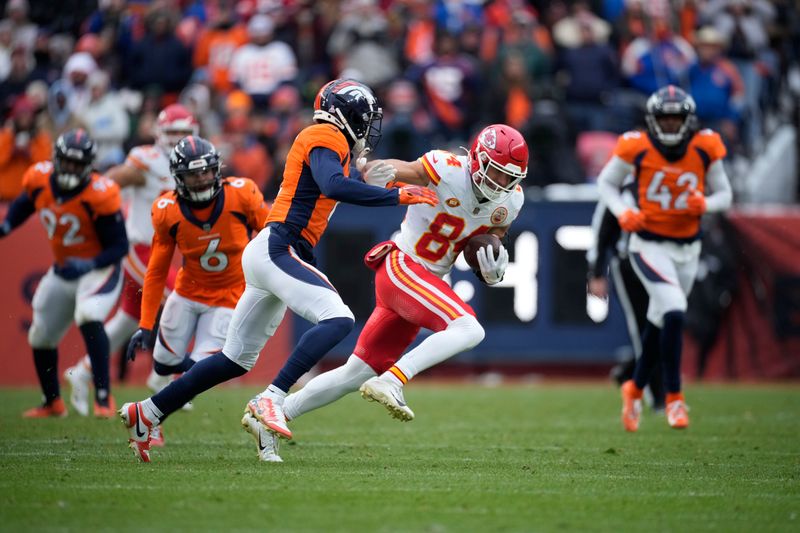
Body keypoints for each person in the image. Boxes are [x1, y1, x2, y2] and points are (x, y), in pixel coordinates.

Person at [119, 79, 438, 463]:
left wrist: (368, 180)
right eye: (363, 118)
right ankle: (272, 398)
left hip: (272, 249)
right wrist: (395, 195)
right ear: (346, 115)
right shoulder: (325, 133)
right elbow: (332, 185)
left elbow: (332, 184)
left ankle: (148, 411)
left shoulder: (327, 141)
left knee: (233, 360)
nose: (367, 127)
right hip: (279, 245)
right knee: (338, 320)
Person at [270, 124, 527, 462]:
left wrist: (491, 266)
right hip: (403, 265)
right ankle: (394, 381)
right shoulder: (446, 167)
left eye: (508, 177)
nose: (500, 183)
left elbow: (488, 242)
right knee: (468, 327)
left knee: (356, 373)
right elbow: (401, 170)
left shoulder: (511, 201)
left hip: (424, 281)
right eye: (495, 171)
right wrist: (375, 169)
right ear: (478, 159)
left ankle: (272, 414)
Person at [597, 85, 732, 432]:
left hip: (688, 248)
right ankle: (674, 397)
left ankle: (634, 387)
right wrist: (623, 211)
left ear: (689, 121)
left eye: (676, 119)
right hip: (647, 244)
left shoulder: (705, 147)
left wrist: (706, 204)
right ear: (652, 120)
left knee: (658, 325)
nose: (670, 125)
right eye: (664, 118)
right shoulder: (636, 146)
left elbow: (725, 195)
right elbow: (606, 184)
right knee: (673, 310)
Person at [125, 135, 269, 447]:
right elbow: (156, 271)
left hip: (230, 297)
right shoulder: (167, 209)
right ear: (179, 177)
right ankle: (152, 414)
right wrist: (145, 323)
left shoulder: (241, 194)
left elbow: (273, 236)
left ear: (217, 169)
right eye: (193, 173)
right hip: (187, 294)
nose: (201, 178)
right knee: (163, 363)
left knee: (200, 370)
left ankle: (150, 418)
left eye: (205, 171)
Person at [63, 104, 198, 417]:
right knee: (181, 299)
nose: (178, 137)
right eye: (173, 131)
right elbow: (108, 183)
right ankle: (165, 374)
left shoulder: (194, 158)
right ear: (159, 133)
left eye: (184, 132)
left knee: (125, 322)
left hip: (163, 247)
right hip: (139, 247)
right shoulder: (147, 159)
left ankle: (81, 374)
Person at [0, 129, 128, 417]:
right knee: (40, 336)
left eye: (77, 164)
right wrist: (6, 226)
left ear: (88, 165)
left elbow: (119, 246)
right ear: (57, 160)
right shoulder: (39, 178)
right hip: (63, 270)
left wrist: (90, 264)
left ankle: (104, 398)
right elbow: (23, 204)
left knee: (89, 315)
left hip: (99, 269)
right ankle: (52, 402)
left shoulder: (100, 193)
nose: (71, 168)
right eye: (67, 162)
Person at [587, 197, 665, 412]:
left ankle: (629, 372)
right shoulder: (621, 185)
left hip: (664, 262)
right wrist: (597, 272)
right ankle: (658, 395)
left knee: (666, 324)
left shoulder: (667, 181)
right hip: (630, 263)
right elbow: (603, 229)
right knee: (643, 327)